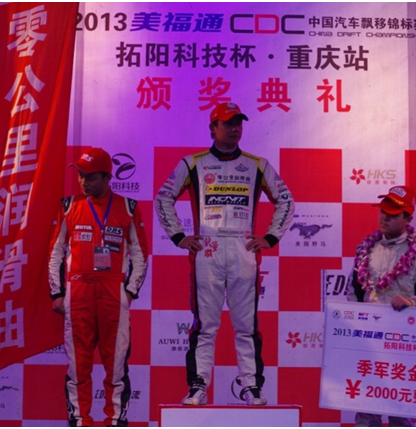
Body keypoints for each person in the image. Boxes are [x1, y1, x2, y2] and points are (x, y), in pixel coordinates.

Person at [155, 102, 294, 406]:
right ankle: (197, 386)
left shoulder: (258, 165)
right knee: (205, 325)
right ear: (213, 128)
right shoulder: (193, 163)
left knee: (247, 326)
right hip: (208, 251)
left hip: (244, 252)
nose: (235, 129)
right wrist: (179, 236)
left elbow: (286, 200)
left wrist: (270, 237)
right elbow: (163, 197)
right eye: (228, 123)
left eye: (239, 123)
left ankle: (252, 387)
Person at [48, 147, 149, 426]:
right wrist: (57, 292)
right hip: (78, 291)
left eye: (90, 177)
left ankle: (115, 421)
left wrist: (129, 292)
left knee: (115, 366)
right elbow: (55, 252)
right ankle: (80, 420)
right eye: (80, 175)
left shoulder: (128, 207)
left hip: (112, 292)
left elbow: (140, 253)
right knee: (78, 365)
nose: (83, 182)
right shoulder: (69, 205)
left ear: (107, 177)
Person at [346, 185, 416, 427]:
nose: (384, 217)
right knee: (366, 416)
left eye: (392, 214)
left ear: (408, 219)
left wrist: (412, 302)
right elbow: (353, 296)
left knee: (401, 417)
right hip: (370, 347)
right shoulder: (365, 251)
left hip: (405, 348)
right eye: (383, 211)